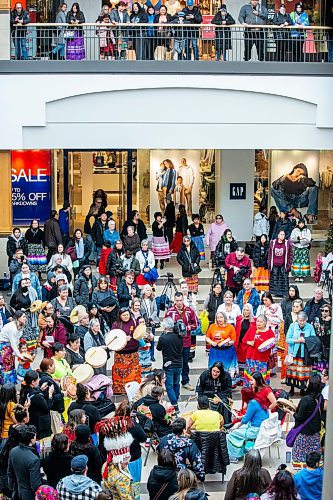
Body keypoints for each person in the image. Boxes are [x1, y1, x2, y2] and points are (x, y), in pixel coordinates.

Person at [165, 292, 199, 391]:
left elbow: (196, 324)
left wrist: (186, 328)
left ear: (183, 300)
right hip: (174, 342)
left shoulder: (189, 311)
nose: (179, 302)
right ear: (174, 300)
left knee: (184, 362)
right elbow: (166, 326)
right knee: (173, 362)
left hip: (186, 341)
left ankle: (185, 381)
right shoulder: (170, 312)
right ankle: (173, 381)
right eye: (177, 300)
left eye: (180, 300)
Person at [290, 376, 324, 469]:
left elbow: (299, 417)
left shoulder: (305, 399)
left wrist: (291, 412)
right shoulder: (321, 397)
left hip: (305, 433)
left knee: (299, 457)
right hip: (315, 433)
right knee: (314, 457)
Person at [227, 388, 269, 462]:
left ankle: (234, 456)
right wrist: (240, 418)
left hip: (255, 430)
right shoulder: (258, 400)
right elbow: (252, 415)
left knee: (232, 434)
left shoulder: (252, 403)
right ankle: (239, 453)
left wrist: (236, 427)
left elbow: (245, 420)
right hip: (261, 427)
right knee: (238, 428)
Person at [8, 425, 42, 500]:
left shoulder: (13, 451)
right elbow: (35, 485)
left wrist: (12, 487)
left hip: (17, 490)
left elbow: (10, 473)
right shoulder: (34, 459)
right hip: (29, 495)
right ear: (31, 439)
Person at [111, 307, 141, 394]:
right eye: (123, 315)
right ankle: (120, 389)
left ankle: (134, 388)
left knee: (133, 372)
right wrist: (124, 338)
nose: (126, 317)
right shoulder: (116, 324)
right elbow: (113, 338)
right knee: (120, 372)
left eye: (127, 315)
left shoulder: (134, 322)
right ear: (120, 316)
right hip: (121, 353)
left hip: (133, 352)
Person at [286, 311, 316, 396]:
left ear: (306, 320)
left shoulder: (310, 327)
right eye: (299, 320)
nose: (301, 322)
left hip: (305, 353)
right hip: (294, 352)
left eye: (303, 320)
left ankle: (303, 389)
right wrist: (297, 340)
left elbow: (313, 338)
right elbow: (287, 339)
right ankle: (292, 389)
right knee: (292, 371)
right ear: (297, 320)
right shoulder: (292, 326)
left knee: (303, 372)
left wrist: (305, 340)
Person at [205, 311, 239, 386]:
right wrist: (211, 342)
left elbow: (233, 340)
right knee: (215, 367)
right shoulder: (212, 326)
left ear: (224, 318)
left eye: (221, 317)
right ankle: (215, 383)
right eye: (217, 317)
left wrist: (227, 343)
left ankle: (227, 384)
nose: (219, 319)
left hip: (227, 351)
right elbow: (207, 337)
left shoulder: (230, 327)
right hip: (215, 351)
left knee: (226, 368)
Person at [19, 370, 54, 439]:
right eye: (38, 379)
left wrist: (41, 389)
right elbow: (47, 408)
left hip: (31, 421)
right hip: (39, 426)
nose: (39, 380)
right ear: (33, 382)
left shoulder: (24, 390)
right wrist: (50, 395)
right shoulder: (36, 396)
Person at [157, 317, 183, 410]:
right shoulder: (179, 336)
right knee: (176, 383)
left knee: (169, 385)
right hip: (179, 363)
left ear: (164, 327)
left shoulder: (163, 338)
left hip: (169, 364)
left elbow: (158, 348)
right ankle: (176, 399)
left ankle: (174, 403)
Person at [243, 315, 276, 387]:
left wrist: (267, 346)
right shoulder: (252, 329)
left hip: (262, 358)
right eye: (257, 321)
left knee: (261, 376)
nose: (258, 323)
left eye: (261, 322)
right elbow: (244, 340)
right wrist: (249, 342)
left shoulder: (269, 332)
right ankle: (249, 390)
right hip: (251, 357)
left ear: (265, 323)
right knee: (250, 374)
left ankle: (261, 392)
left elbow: (273, 344)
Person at [38, 358, 65, 434]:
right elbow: (50, 397)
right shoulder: (47, 380)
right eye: (53, 365)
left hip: (53, 412)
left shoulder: (44, 377)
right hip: (53, 412)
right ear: (49, 367)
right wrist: (62, 394)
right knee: (56, 434)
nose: (55, 367)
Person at [0, 310, 27, 384]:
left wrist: (17, 352)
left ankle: (11, 383)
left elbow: (17, 340)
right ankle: (7, 385)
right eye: (23, 317)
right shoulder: (13, 328)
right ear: (18, 318)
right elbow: (13, 344)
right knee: (7, 366)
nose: (25, 318)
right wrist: (20, 355)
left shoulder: (20, 325)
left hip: (10, 345)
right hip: (5, 345)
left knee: (12, 365)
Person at [268, 230, 293, 297]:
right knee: (275, 279)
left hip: (283, 265)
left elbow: (290, 254)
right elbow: (270, 254)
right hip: (275, 265)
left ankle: (284, 293)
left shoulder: (287, 243)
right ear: (278, 235)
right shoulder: (272, 242)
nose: (282, 236)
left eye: (283, 234)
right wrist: (269, 264)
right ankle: (274, 292)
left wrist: (289, 264)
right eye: (281, 234)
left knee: (283, 279)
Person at [235, 303, 256, 379]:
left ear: (251, 311)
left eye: (247, 310)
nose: (245, 312)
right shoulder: (239, 320)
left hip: (249, 345)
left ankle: (248, 378)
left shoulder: (254, 321)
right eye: (244, 310)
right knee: (240, 362)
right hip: (240, 344)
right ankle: (240, 379)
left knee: (248, 362)